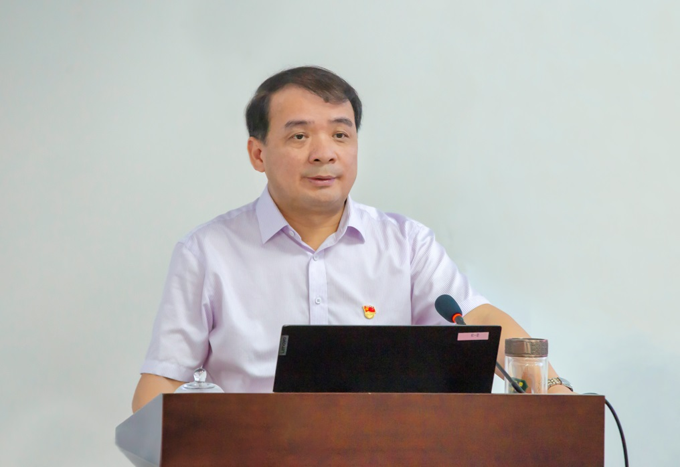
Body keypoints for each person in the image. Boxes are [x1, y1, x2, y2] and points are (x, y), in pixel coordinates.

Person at [132, 66, 572, 412]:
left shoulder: (406, 244)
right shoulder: (207, 253)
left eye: (340, 134)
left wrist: (554, 390)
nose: (324, 153)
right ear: (258, 153)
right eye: (299, 136)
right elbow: (160, 384)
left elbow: (478, 319)